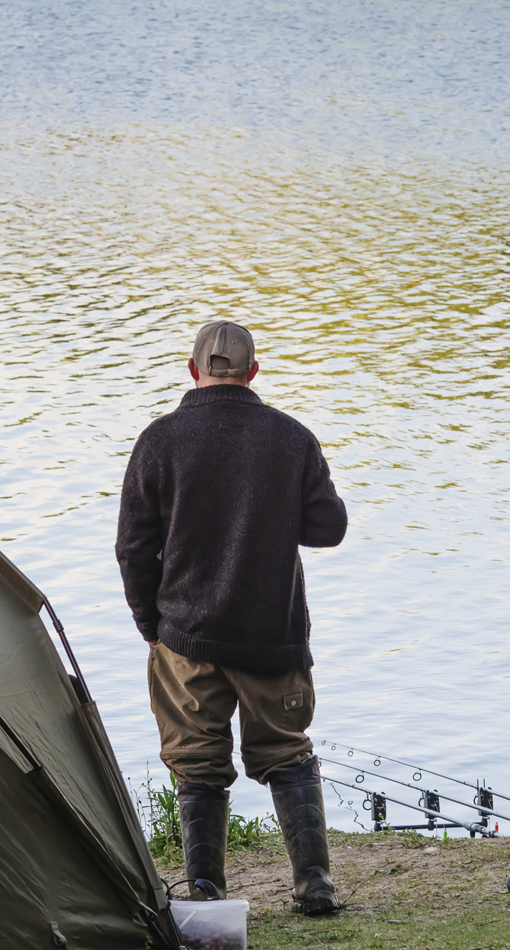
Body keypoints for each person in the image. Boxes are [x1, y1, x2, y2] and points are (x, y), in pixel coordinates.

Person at [116, 320, 348, 915]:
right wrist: (275, 509)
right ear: (254, 372)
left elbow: (133, 548)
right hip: (272, 636)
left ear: (193, 370)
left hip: (185, 637)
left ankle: (205, 892)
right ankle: (315, 887)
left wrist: (150, 626)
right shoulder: (291, 437)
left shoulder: (158, 440)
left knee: (197, 763)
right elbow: (329, 528)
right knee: (287, 754)